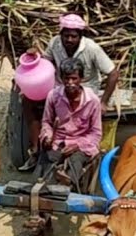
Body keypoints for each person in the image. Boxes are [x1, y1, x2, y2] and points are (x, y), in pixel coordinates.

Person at [18, 12, 118, 171]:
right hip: (59, 88)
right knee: (27, 101)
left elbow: (113, 73)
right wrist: (33, 59)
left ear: (80, 36)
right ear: (61, 35)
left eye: (73, 36)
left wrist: (103, 102)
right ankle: (36, 150)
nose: (69, 40)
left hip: (86, 89)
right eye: (66, 36)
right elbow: (46, 64)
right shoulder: (55, 44)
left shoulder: (92, 48)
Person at [34, 58, 103, 189]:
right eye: (67, 79)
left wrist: (77, 145)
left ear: (81, 79)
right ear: (61, 79)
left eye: (74, 79)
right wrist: (47, 137)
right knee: (43, 168)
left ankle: (67, 186)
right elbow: (47, 122)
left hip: (81, 145)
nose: (70, 83)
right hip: (57, 142)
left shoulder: (92, 101)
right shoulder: (53, 96)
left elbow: (96, 133)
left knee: (75, 164)